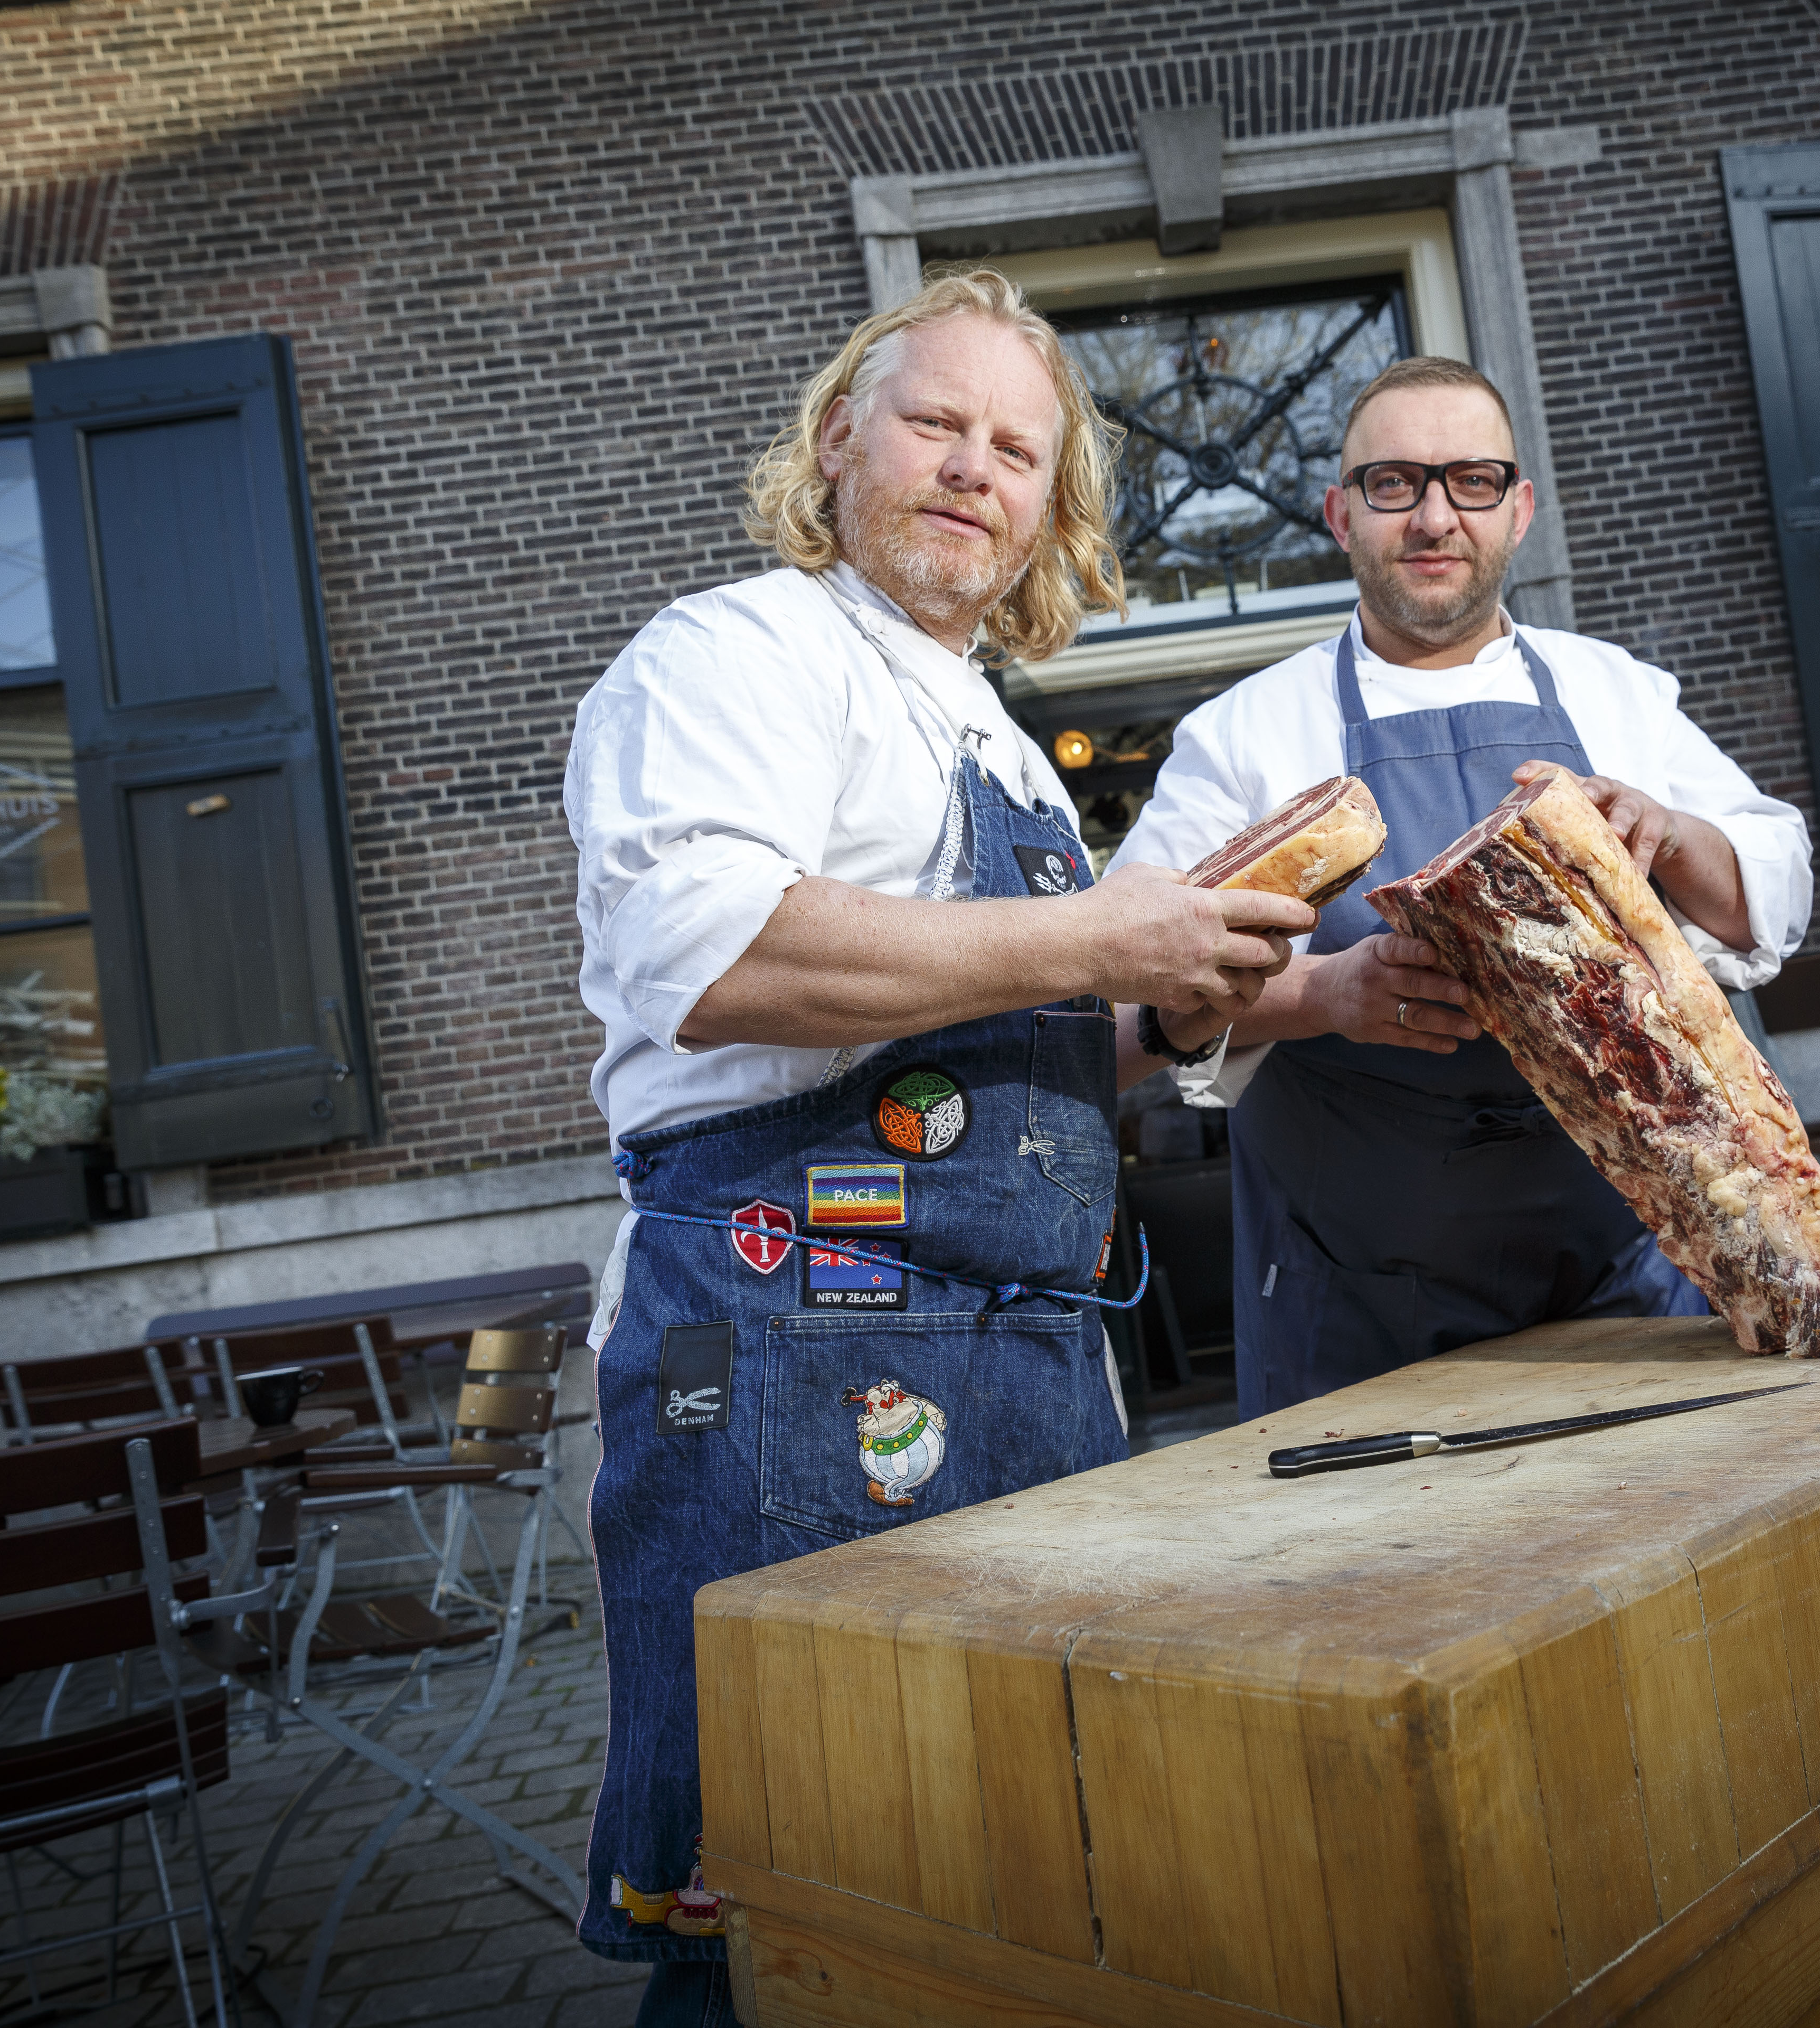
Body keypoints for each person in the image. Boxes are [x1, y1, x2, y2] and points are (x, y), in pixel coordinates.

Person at [562, 269, 1311, 2025]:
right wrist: (1105, 940)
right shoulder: (737, 650)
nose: (977, 468)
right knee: (778, 1908)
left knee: (1006, 1893)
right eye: (936, 422)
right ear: (838, 440)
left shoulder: (1009, 746)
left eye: (1019, 448)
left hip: (1025, 1353)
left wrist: (1278, 997)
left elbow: (1015, 1032)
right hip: (747, 1340)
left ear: (1052, 504)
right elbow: (718, 958)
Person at [1109, 355, 1813, 1416]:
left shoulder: (1616, 693)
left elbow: (1776, 889)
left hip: (1636, 1292)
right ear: (1341, 515)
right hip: (1356, 1323)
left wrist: (1669, 840)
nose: (1435, 517)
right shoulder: (1246, 736)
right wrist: (1325, 996)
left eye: (1472, 482)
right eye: (1395, 484)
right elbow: (1126, 992)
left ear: (1518, 510)